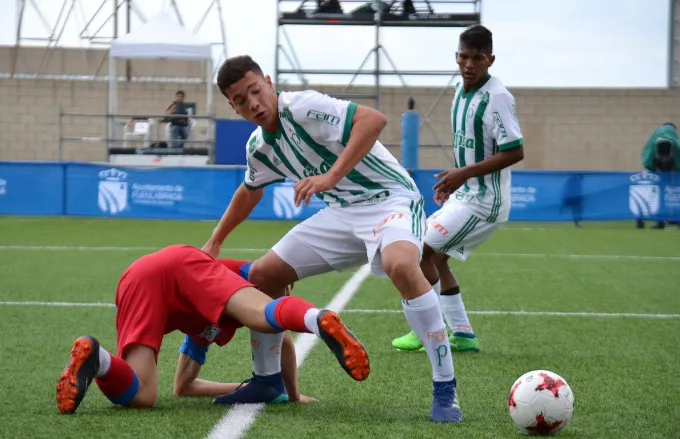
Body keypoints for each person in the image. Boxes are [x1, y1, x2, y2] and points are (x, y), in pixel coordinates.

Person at [202, 55, 462, 423]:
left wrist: (331, 176)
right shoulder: (259, 147)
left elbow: (373, 120)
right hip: (342, 213)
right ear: (232, 106)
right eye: (241, 100)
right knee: (263, 276)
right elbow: (249, 190)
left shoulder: (304, 106)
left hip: (391, 199)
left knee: (401, 265)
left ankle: (445, 387)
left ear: (269, 83)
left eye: (256, 91)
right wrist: (215, 241)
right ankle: (267, 380)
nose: (253, 104)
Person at [55, 245, 369, 415]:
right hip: (180, 264)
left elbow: (184, 386)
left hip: (138, 277)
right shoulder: (247, 274)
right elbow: (281, 337)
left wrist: (240, 387)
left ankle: (98, 359)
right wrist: (293, 395)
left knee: (143, 396)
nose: (284, 288)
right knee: (264, 315)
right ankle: (316, 319)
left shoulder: (206, 321)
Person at [391, 25, 524, 354]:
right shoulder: (459, 91)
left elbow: (515, 151)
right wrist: (454, 183)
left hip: (484, 202)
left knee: (419, 251)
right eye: (464, 57)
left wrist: (462, 174)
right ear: (456, 57)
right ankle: (463, 334)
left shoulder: (497, 98)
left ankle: (428, 332)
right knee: (437, 259)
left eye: (477, 58)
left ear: (490, 60)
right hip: (466, 195)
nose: (469, 64)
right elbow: (468, 146)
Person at [638, 122, 680, 229]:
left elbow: (648, 152)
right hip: (672, 174)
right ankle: (674, 219)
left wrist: (651, 167)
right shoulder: (673, 139)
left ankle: (660, 221)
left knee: (659, 195)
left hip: (659, 172)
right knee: (674, 195)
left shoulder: (656, 136)